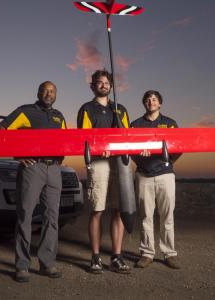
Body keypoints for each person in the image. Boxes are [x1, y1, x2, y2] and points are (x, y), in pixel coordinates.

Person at [0, 81, 67, 282]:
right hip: (32, 168)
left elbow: (64, 139)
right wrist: (17, 155)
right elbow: (1, 131)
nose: (49, 93)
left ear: (56, 94)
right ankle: (22, 266)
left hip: (54, 169)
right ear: (38, 93)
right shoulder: (25, 111)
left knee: (52, 218)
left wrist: (59, 160)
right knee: (25, 215)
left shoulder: (59, 116)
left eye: (52, 91)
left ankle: (47, 264)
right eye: (45, 90)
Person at [77, 69, 131, 274]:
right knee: (97, 209)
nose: (104, 85)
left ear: (111, 86)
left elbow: (126, 137)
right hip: (99, 162)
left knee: (119, 209)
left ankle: (116, 257)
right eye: (99, 83)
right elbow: (85, 139)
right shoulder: (87, 109)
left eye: (107, 82)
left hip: (119, 162)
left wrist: (118, 149)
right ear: (93, 86)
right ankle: (96, 257)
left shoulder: (120, 109)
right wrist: (102, 148)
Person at [130, 90, 181, 270]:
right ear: (144, 104)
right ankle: (147, 253)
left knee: (167, 216)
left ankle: (169, 253)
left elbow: (179, 147)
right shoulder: (135, 125)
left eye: (154, 99)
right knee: (146, 216)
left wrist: (168, 161)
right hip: (143, 175)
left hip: (165, 175)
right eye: (147, 100)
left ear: (160, 104)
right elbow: (130, 149)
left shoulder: (170, 124)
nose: (151, 102)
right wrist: (140, 157)